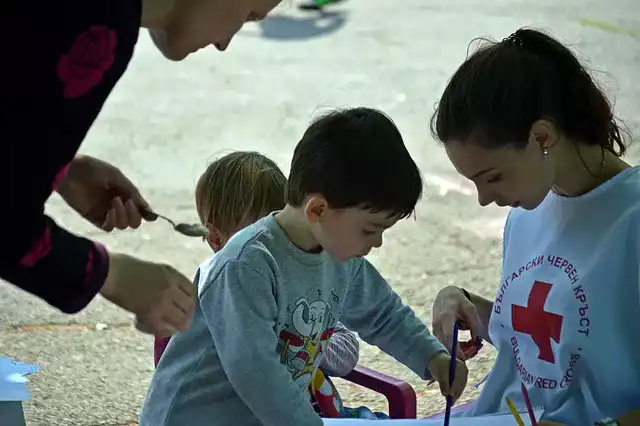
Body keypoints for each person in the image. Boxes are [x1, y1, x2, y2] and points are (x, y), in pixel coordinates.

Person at [139, 107, 468, 426]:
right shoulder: (246, 264)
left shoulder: (341, 258)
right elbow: (256, 373)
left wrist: (433, 357)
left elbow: (383, 314)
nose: (376, 243)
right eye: (370, 229)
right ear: (318, 210)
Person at [5, 0, 282, 336]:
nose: (225, 43)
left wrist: (61, 169)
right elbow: (10, 227)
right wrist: (115, 276)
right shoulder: (97, 23)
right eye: (249, 15)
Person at [429, 28, 639, 426]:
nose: (483, 199)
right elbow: (542, 343)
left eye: (491, 177)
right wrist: (467, 304)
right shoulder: (527, 212)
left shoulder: (632, 217)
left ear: (542, 136)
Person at [151, 151, 364, 418]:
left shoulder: (300, 285)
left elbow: (347, 354)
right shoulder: (221, 294)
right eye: (258, 236)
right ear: (216, 238)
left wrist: (305, 341)